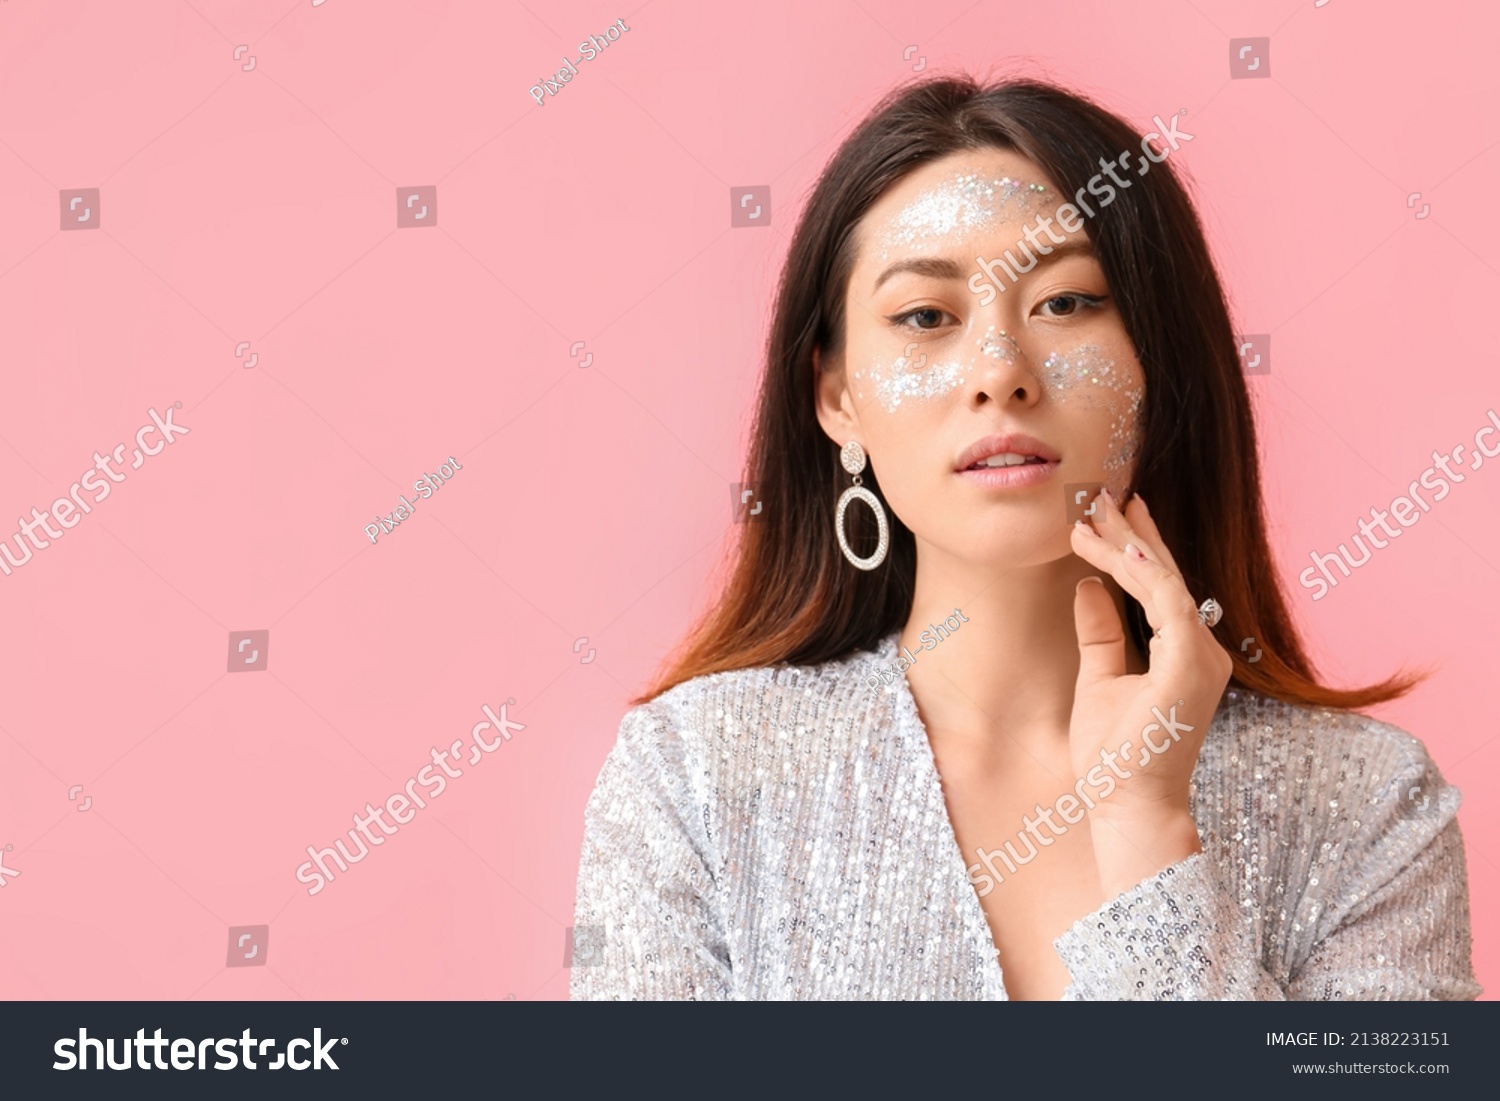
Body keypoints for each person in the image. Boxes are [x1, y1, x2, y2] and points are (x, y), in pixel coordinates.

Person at [569, 76, 1480, 1000]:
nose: (1000, 373)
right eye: (926, 317)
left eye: (1066, 303)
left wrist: (1147, 826)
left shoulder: (1367, 803)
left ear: (1158, 364)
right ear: (836, 397)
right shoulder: (692, 776)